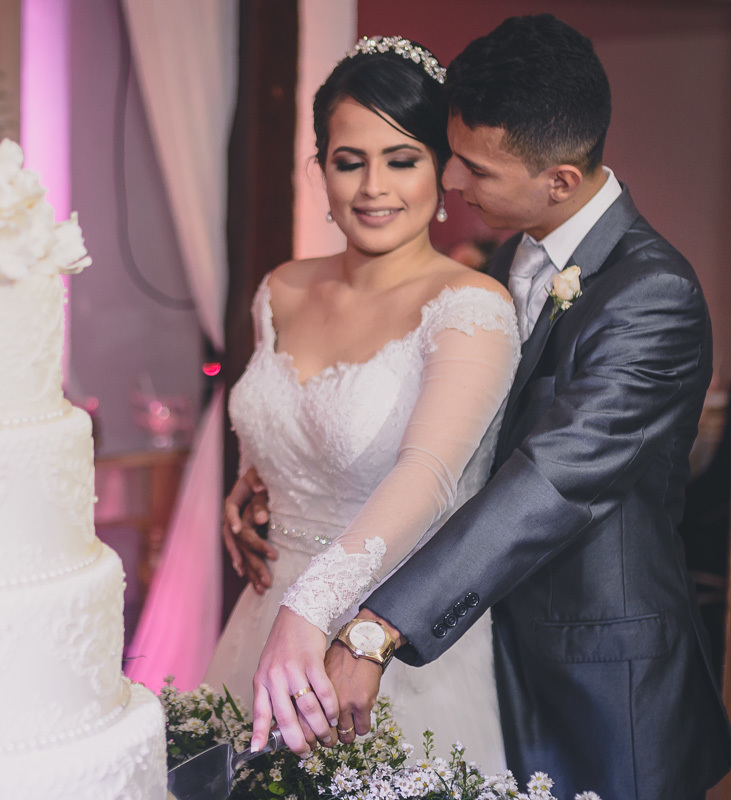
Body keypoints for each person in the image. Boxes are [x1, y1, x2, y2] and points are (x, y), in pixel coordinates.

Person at [243, 15, 731, 799]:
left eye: (471, 168)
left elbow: (548, 482)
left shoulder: (653, 297)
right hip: (481, 641)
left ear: (560, 182)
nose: (450, 184)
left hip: (597, 681)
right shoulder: (510, 258)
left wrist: (374, 629)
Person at [205, 35, 520, 772]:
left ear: (442, 169)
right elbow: (281, 429)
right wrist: (250, 484)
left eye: (401, 160)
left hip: (392, 647)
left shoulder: (470, 305)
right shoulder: (280, 289)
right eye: (349, 162)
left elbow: (429, 472)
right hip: (262, 622)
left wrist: (312, 609)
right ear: (320, 170)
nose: (373, 187)